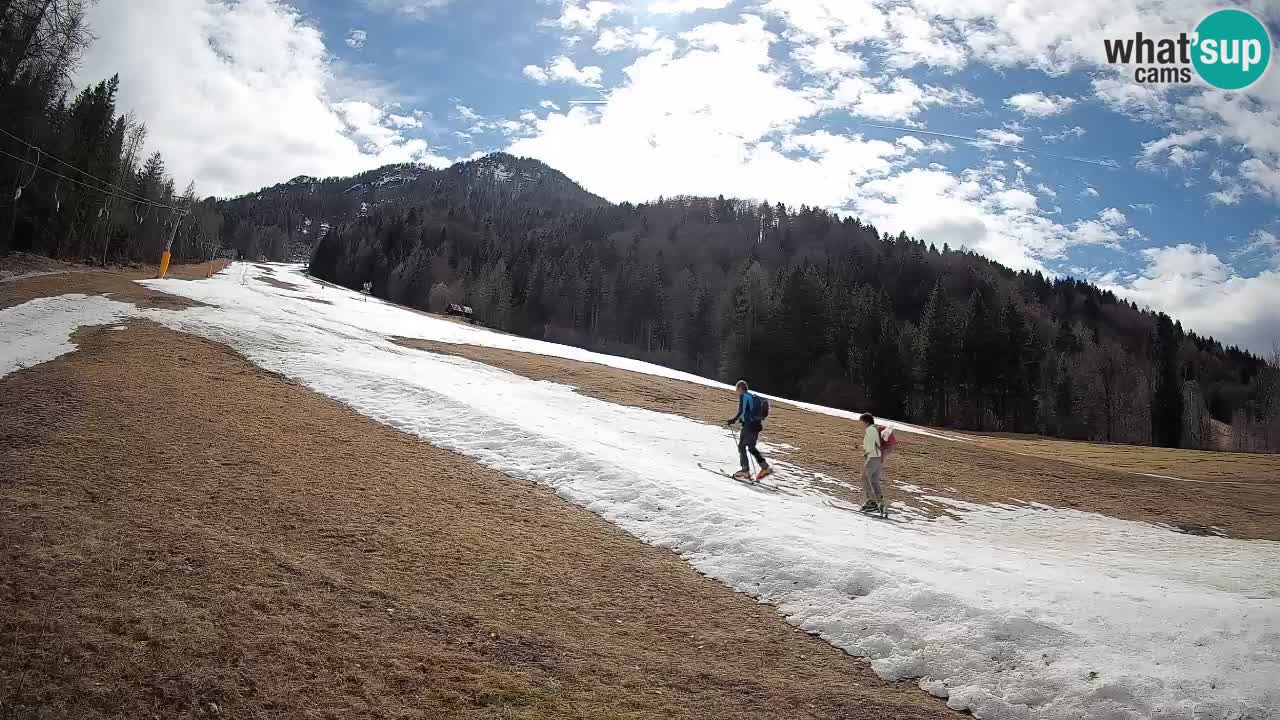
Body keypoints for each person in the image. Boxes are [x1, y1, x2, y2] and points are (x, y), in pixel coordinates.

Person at [726, 380, 771, 481]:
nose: (737, 392)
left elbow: (741, 411)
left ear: (740, 388)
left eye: (737, 389)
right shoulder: (753, 396)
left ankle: (745, 471)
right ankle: (765, 467)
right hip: (756, 426)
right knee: (751, 447)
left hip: (749, 427)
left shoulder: (744, 396)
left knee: (742, 447)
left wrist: (732, 420)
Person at [859, 413, 885, 513]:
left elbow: (872, 445)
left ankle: (871, 501)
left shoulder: (870, 430)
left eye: (862, 422)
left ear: (866, 421)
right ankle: (880, 503)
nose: (861, 425)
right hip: (878, 458)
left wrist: (867, 453)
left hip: (873, 457)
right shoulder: (876, 429)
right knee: (874, 481)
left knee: (864, 477)